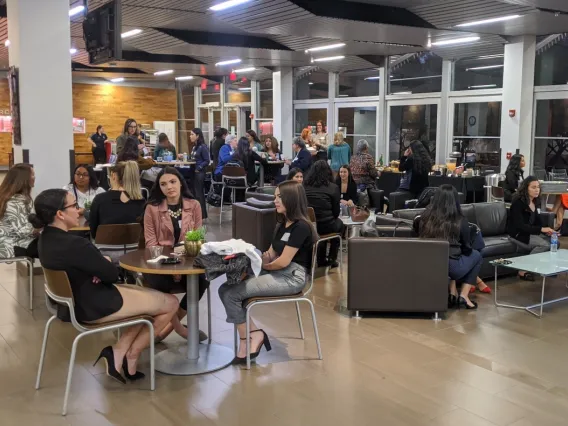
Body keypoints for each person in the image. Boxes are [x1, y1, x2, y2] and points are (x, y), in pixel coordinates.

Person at [33, 188, 179, 383]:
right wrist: (105, 263)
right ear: (60, 214)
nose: (79, 210)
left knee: (146, 304)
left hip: (70, 304)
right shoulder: (76, 245)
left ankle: (118, 353)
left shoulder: (44, 240)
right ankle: (130, 354)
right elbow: (111, 274)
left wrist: (97, 267)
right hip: (95, 305)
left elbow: (86, 269)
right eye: (74, 206)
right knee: (170, 302)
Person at [218, 180, 316, 364]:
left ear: (292, 199)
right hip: (278, 271)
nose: (275, 200)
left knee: (232, 294)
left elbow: (283, 262)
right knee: (224, 289)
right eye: (275, 196)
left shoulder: (301, 227)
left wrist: (264, 266)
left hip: (292, 277)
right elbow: (271, 254)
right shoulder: (282, 224)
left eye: (280, 197)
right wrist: (257, 259)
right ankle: (254, 333)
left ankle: (249, 339)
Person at [143, 167, 209, 341]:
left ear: (180, 182)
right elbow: (151, 243)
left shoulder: (194, 205)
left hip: (187, 259)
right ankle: (180, 329)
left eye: (172, 182)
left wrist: (181, 261)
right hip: (160, 262)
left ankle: (165, 330)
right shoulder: (152, 208)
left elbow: (198, 238)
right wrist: (171, 265)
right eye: (163, 184)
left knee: (202, 281)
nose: (169, 187)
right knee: (161, 286)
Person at [414, 185, 482, 310]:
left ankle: (452, 293)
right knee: (476, 255)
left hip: (427, 263)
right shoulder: (461, 220)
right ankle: (464, 296)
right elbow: (467, 248)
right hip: (452, 267)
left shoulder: (423, 217)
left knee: (447, 256)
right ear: (455, 200)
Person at [508, 176, 554, 280]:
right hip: (518, 234)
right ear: (526, 188)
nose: (537, 189)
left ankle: (543, 268)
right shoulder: (518, 203)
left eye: (538, 187)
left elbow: (538, 222)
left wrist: (548, 231)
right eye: (533, 187)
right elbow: (520, 226)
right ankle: (522, 270)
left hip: (530, 233)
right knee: (545, 245)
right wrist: (541, 230)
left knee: (555, 242)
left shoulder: (535, 202)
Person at [89, 161, 145, 240]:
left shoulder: (99, 200)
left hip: (105, 250)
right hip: (136, 250)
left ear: (113, 176)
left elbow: (94, 233)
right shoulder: (142, 202)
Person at [304, 160, 344, 268]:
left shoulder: (304, 187)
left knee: (320, 226)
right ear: (328, 172)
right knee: (339, 224)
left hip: (307, 227)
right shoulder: (333, 188)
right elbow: (336, 213)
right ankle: (332, 258)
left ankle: (321, 259)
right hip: (326, 226)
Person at [0, 164, 39, 258]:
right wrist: (45, 224)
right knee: (56, 246)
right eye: (32, 174)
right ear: (23, 179)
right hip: (13, 245)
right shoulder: (14, 201)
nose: (35, 177)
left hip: (20, 242)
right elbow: (24, 231)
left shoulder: (21, 198)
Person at [190, 128, 210, 219]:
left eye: (192, 134)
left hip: (199, 172)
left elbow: (207, 160)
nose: (190, 136)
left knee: (199, 193)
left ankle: (201, 214)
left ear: (197, 136)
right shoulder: (194, 147)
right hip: (193, 171)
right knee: (194, 192)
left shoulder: (203, 147)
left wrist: (199, 167)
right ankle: (195, 213)